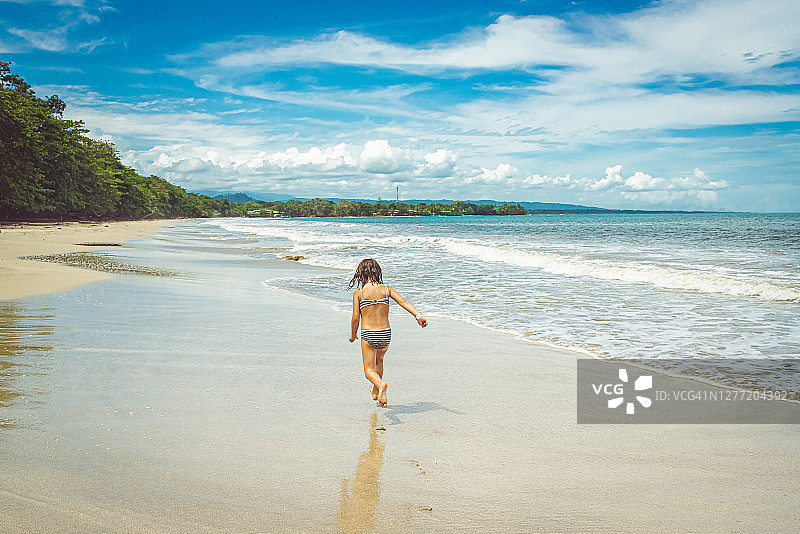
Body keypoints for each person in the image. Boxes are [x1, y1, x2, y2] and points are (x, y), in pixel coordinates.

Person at [348, 258, 427, 407]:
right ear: (377, 272)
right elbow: (403, 302)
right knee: (379, 361)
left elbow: (355, 318)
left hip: (368, 334)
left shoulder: (359, 293)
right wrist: (418, 316)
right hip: (385, 334)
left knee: (369, 371)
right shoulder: (386, 289)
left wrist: (353, 335)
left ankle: (380, 384)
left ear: (361, 274)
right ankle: (376, 391)